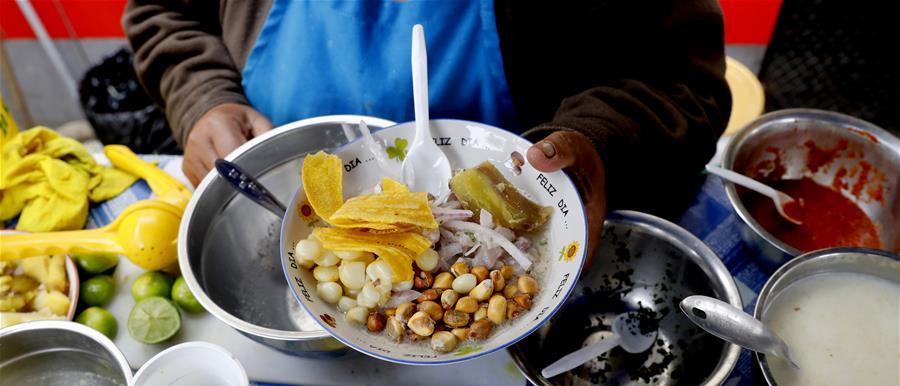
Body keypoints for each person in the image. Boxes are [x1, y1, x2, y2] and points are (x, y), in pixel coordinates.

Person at [124, 0, 731, 261]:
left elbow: (680, 83)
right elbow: (166, 13)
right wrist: (202, 95)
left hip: (506, 249)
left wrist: (599, 136)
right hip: (276, 207)